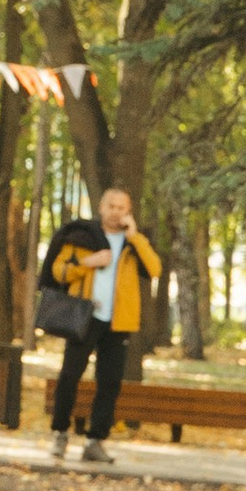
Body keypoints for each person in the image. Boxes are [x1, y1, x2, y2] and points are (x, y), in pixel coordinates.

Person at [42, 185, 159, 466]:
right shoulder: (81, 236)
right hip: (84, 317)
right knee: (70, 376)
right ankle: (60, 433)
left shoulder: (134, 243)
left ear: (128, 211)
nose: (116, 212)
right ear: (101, 208)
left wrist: (135, 237)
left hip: (118, 322)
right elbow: (59, 271)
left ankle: (95, 441)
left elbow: (154, 269)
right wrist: (88, 262)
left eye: (122, 208)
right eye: (112, 206)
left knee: (109, 382)